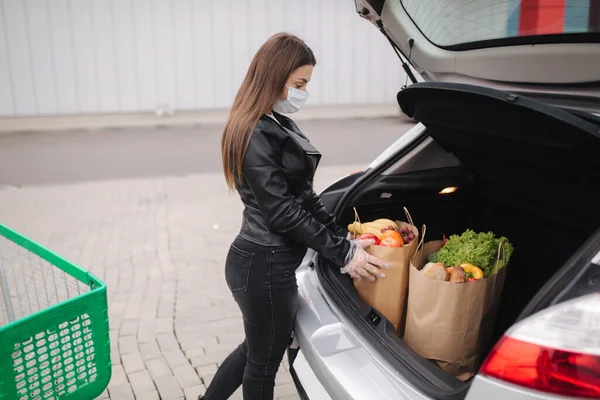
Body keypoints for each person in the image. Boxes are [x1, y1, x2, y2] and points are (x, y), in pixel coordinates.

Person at [200, 32, 388, 400]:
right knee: (263, 364)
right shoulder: (254, 131)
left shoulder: (275, 123)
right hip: (262, 265)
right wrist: (343, 253)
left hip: (265, 263)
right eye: (300, 83)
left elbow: (304, 196)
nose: (304, 92)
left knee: (256, 351)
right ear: (275, 77)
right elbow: (282, 212)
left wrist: (342, 237)